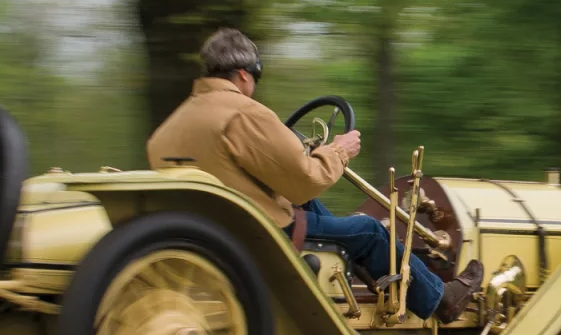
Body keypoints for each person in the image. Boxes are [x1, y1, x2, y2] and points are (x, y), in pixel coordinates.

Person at [146, 28, 482, 319]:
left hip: (202, 232)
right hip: (260, 234)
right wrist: (339, 151)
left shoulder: (170, 125)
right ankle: (440, 299)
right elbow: (305, 180)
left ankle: (365, 272)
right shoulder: (244, 114)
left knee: (310, 209)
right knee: (368, 229)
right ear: (245, 75)